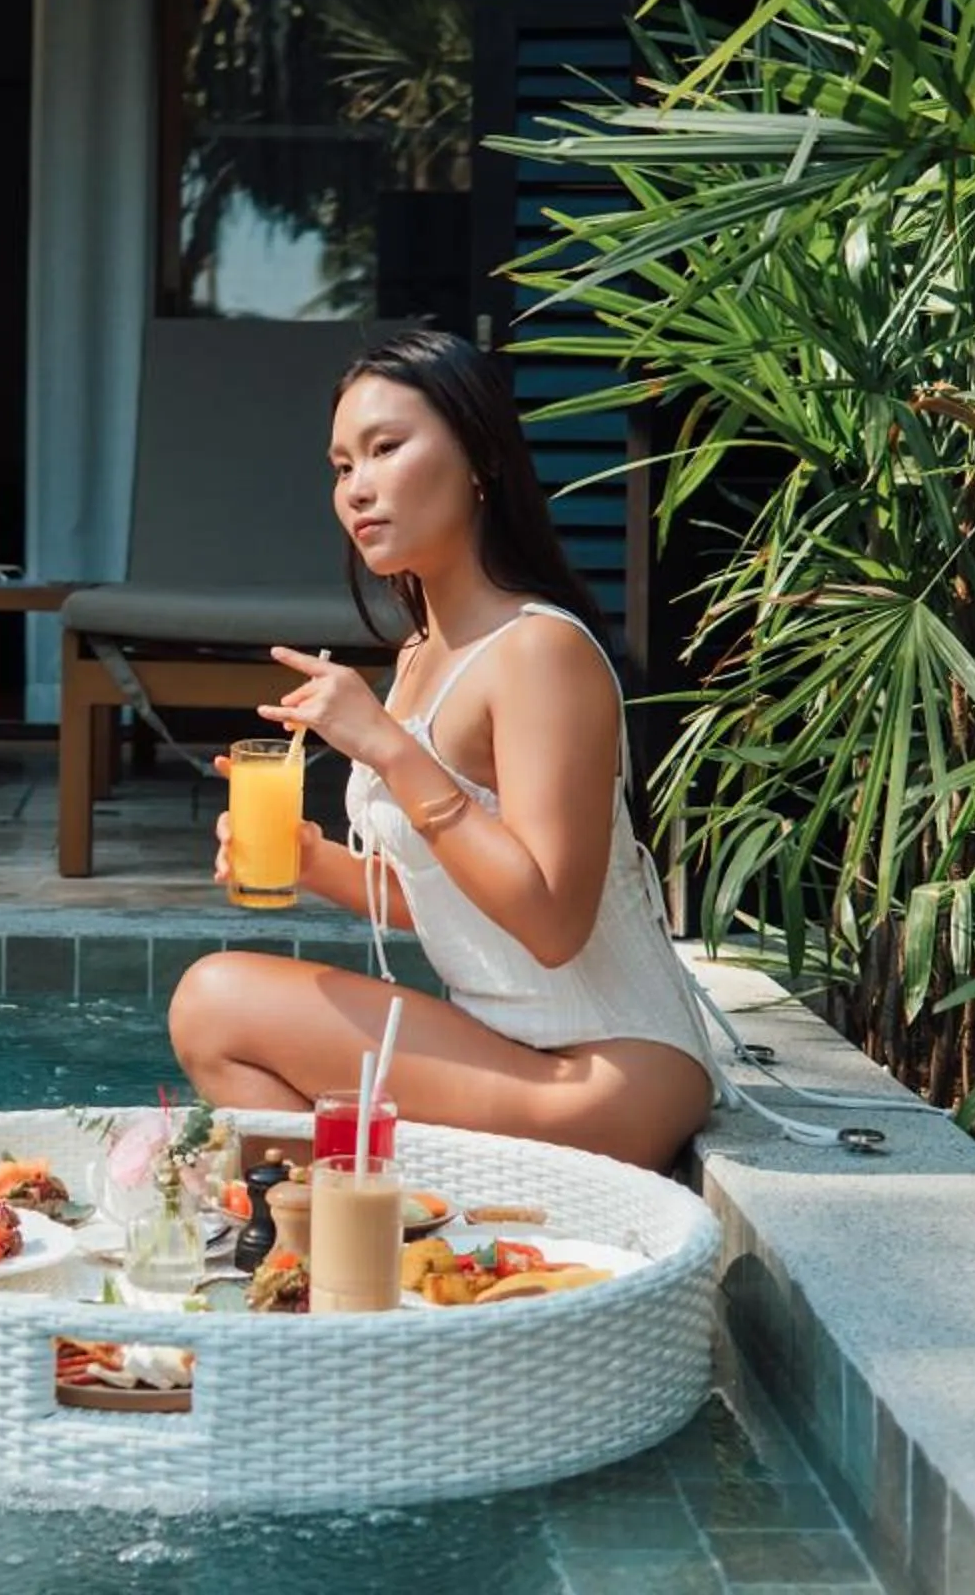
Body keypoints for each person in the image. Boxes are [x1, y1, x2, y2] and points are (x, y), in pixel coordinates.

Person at [168, 330, 721, 1171]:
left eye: (386, 448)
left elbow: (552, 924)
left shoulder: (538, 650)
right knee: (213, 1011)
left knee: (215, 1001)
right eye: (342, 466)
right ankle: (345, 1231)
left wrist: (392, 750)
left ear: (480, 460)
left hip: (613, 1070)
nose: (357, 487)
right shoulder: (420, 655)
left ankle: (335, 1226)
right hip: (509, 1046)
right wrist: (314, 863)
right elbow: (463, 904)